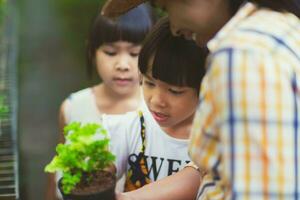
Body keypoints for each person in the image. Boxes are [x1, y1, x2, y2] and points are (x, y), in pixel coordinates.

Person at [102, 0, 300, 199]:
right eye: (149, 82)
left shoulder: (242, 55)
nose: (174, 28)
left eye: (166, 8)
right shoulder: (281, 30)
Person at [45, 4, 154, 200]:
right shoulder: (72, 107)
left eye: (135, 53)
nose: (122, 65)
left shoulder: (160, 113)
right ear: (92, 51)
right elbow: (56, 172)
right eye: (111, 52)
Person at [102, 17, 208, 196]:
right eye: (149, 83)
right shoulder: (128, 129)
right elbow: (99, 175)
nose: (156, 100)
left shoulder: (214, 141)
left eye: (174, 91)